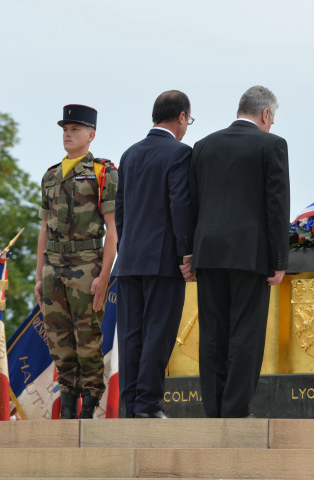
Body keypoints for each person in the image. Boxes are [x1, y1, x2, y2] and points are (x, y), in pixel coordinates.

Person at [189, 86, 290, 418]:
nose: (271, 125)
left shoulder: (203, 146)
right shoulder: (272, 145)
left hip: (208, 253)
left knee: (213, 333)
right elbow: (277, 206)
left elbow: (192, 204)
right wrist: (279, 261)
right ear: (265, 114)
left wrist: (190, 253)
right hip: (250, 255)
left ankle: (214, 408)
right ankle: (234, 409)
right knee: (245, 332)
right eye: (271, 119)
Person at [113, 90, 195, 419]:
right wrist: (186, 253)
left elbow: (119, 212)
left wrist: (126, 248)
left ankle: (131, 406)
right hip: (163, 261)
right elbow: (180, 206)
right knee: (158, 334)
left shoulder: (129, 154)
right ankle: (148, 405)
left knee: (131, 336)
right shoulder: (179, 153)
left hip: (129, 258)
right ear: (181, 117)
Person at [35, 104, 118, 419]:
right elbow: (43, 229)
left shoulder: (103, 172)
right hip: (53, 264)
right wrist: (39, 275)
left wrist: (105, 274)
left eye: (75, 130)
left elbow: (113, 230)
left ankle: (90, 405)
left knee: (87, 337)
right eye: (65, 130)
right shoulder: (51, 175)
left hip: (87, 261)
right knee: (58, 337)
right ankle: (67, 406)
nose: (68, 134)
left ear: (91, 135)